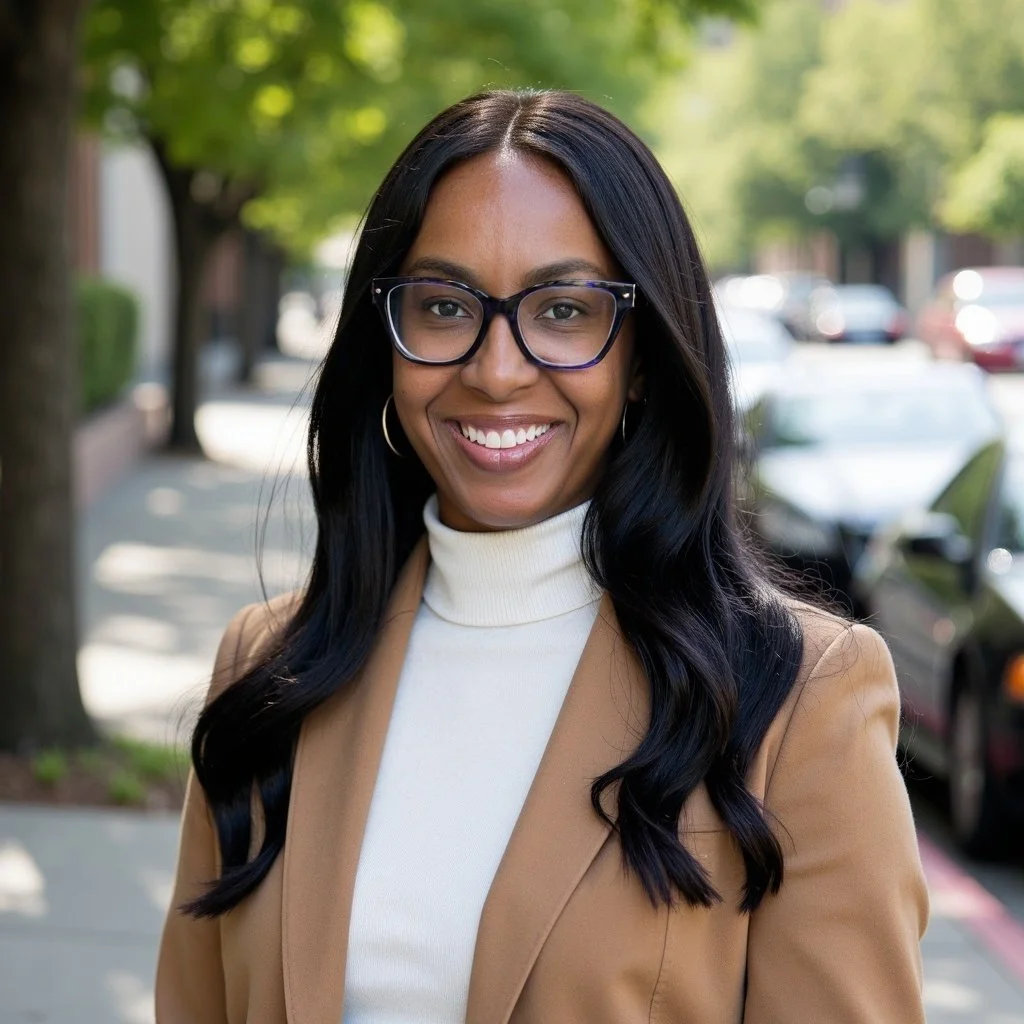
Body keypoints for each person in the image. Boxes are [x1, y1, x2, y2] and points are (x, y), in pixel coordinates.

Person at [155, 89, 929, 1023]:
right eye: (445, 305)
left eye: (563, 309)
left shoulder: (799, 700)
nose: (497, 368)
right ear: (386, 338)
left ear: (641, 355)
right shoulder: (271, 671)